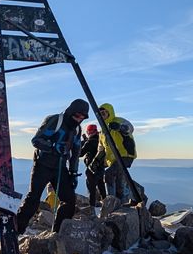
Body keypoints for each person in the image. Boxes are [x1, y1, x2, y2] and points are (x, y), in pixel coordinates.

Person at [16, 99, 88, 235]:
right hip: (42, 165)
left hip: (60, 168)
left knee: (69, 201)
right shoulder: (55, 121)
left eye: (83, 117)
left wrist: (73, 173)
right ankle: (16, 231)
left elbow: (76, 152)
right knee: (33, 199)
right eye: (78, 115)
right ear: (71, 111)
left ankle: (57, 234)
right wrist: (53, 147)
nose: (79, 119)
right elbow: (36, 140)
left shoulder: (77, 130)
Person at [94, 102, 142, 202]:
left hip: (125, 155)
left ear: (109, 112)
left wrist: (120, 127)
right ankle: (122, 201)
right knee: (119, 179)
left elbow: (129, 128)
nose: (102, 115)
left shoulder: (119, 121)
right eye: (100, 114)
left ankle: (111, 201)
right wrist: (96, 160)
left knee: (109, 174)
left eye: (104, 113)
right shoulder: (103, 130)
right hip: (113, 159)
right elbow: (101, 148)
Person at [81, 122, 106, 210]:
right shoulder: (101, 140)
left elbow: (80, 153)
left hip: (91, 168)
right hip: (101, 166)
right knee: (101, 185)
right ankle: (106, 204)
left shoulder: (90, 142)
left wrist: (83, 143)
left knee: (91, 188)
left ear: (88, 132)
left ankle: (92, 207)